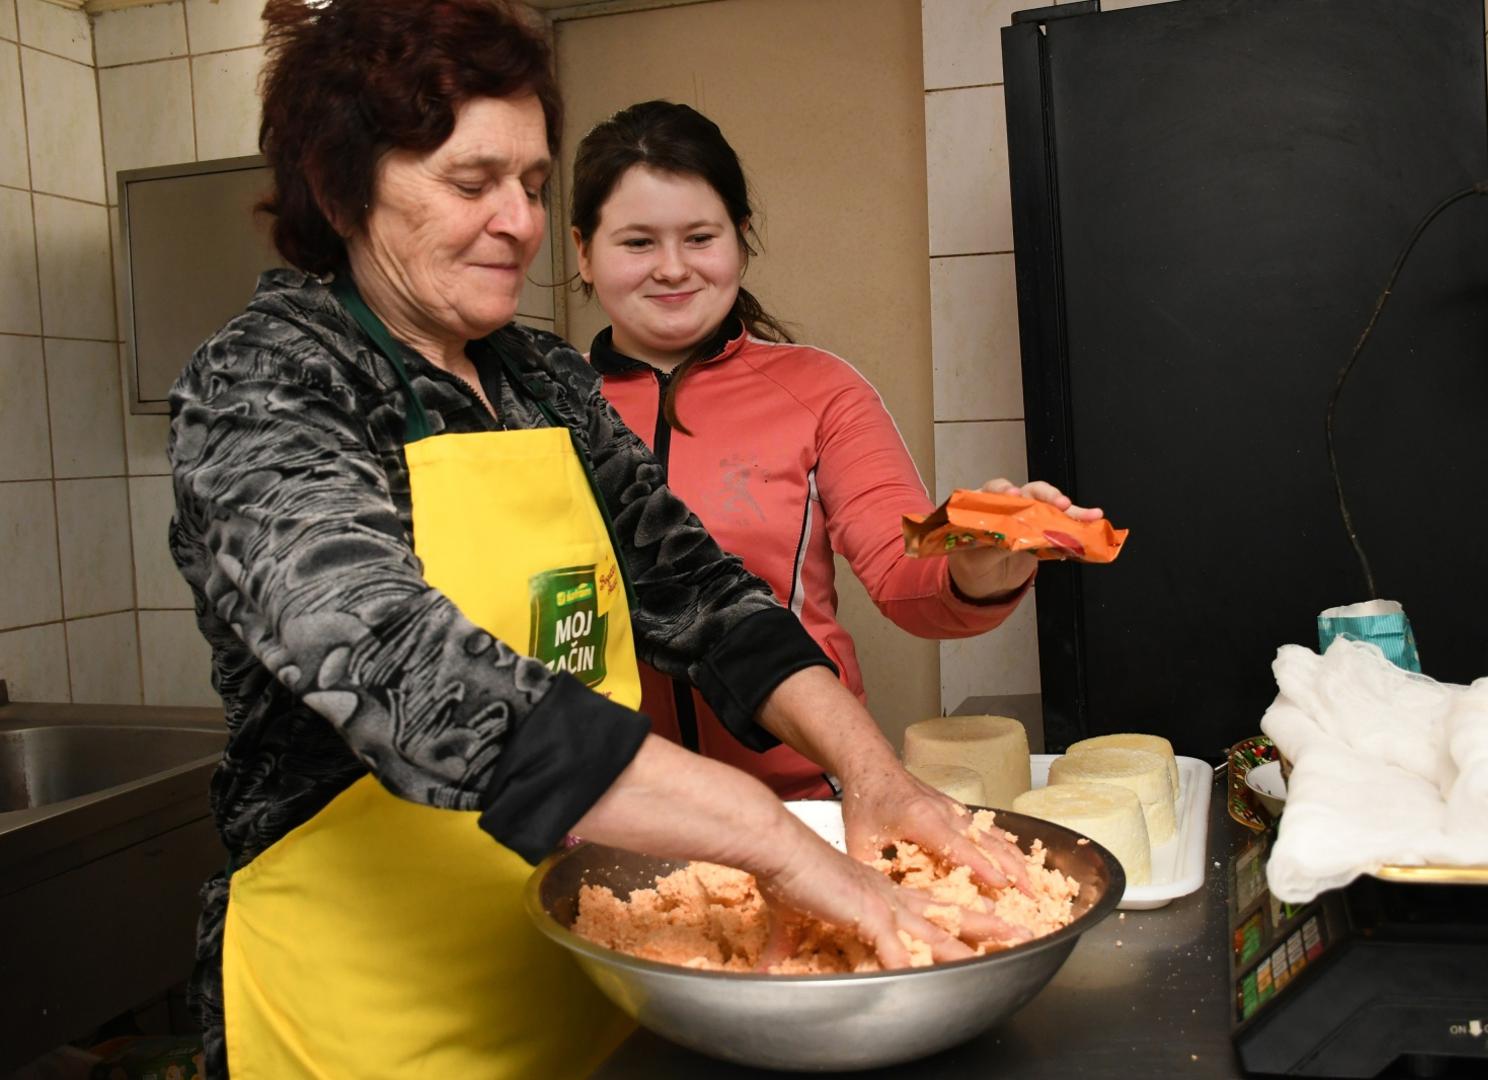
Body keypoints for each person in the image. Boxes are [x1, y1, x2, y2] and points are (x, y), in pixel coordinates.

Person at [168, 3, 1029, 1077]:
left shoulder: (542, 380)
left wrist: (868, 772)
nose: (520, 223)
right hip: (366, 1005)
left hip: (591, 977)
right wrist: (762, 834)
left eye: (531, 184)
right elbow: (386, 658)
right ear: (341, 187)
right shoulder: (268, 383)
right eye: (470, 182)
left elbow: (699, 591)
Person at [571, 100, 1101, 799]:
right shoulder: (538, 409)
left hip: (803, 804)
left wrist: (978, 566)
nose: (672, 268)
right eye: (637, 242)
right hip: (606, 807)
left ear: (741, 238)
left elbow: (904, 574)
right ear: (583, 250)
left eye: (700, 237)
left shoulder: (821, 391)